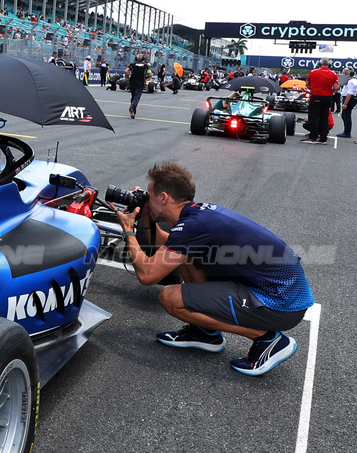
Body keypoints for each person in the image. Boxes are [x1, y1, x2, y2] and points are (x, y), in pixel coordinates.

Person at [114, 161, 313, 377]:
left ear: (163, 198)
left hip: (281, 302)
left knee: (169, 297)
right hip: (276, 289)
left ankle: (269, 340)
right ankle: (206, 333)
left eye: (149, 196)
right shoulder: (198, 215)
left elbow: (147, 275)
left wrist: (127, 230)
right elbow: (166, 246)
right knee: (186, 257)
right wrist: (145, 218)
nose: (146, 200)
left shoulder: (192, 225)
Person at [303, 57, 338, 145]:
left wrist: (312, 89)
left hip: (316, 95)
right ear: (329, 64)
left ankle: (314, 138)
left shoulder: (313, 72)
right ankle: (323, 139)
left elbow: (307, 83)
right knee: (324, 118)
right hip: (327, 97)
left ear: (319, 64)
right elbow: (336, 87)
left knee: (314, 117)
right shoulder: (333, 74)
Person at [337, 68, 357, 139]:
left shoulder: (351, 81)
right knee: (344, 115)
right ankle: (346, 131)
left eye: (345, 73)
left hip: (349, 99)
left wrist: (345, 103)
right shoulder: (350, 80)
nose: (344, 74)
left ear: (348, 73)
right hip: (348, 98)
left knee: (346, 115)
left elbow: (350, 93)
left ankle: (347, 132)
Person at [126, 53, 147, 118]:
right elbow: (150, 74)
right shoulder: (145, 66)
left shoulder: (132, 65)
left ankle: (133, 112)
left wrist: (128, 78)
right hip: (140, 83)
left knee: (133, 97)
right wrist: (145, 76)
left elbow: (126, 71)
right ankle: (132, 107)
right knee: (136, 97)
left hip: (132, 82)